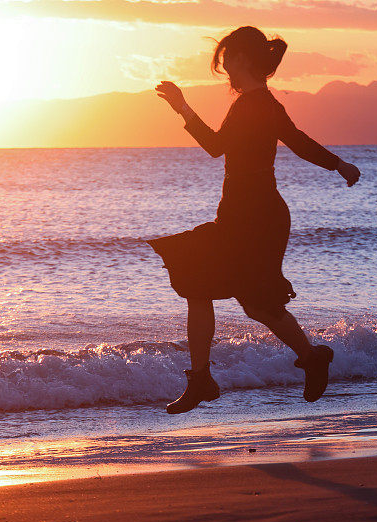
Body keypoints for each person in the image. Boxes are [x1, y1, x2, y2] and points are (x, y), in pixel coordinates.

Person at [150, 26, 361, 414]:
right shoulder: (250, 102)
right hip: (235, 215)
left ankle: (312, 358)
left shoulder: (259, 104)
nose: (225, 66)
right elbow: (238, 146)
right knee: (200, 285)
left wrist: (338, 164)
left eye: (227, 58)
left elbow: (284, 142)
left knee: (258, 304)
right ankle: (201, 380)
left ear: (243, 59)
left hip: (260, 219)